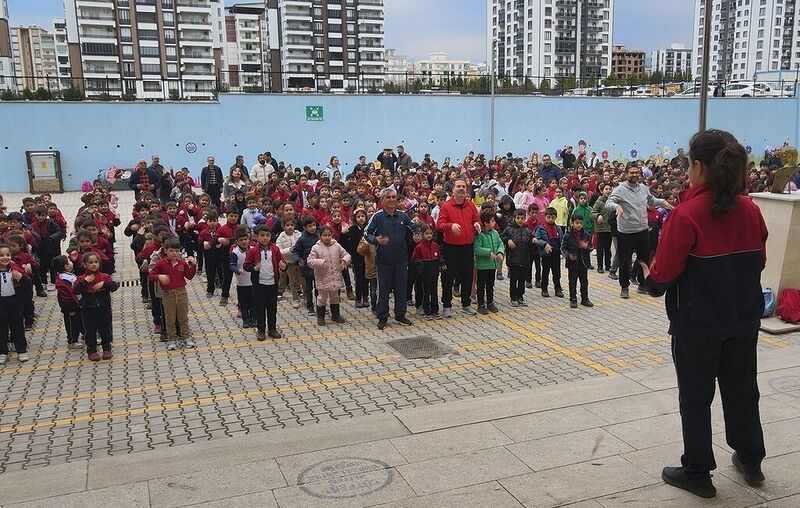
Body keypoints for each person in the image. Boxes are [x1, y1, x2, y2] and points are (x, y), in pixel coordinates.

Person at [640, 129, 768, 499]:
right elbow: (759, 260)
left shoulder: (687, 214)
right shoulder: (751, 209)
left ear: (697, 166)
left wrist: (647, 277)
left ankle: (698, 471)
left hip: (696, 326)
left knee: (696, 398)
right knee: (743, 391)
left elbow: (662, 276)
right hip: (743, 320)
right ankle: (751, 459)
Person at [604, 164, 672, 299]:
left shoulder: (643, 188)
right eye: (631, 172)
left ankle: (643, 284)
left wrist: (663, 202)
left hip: (642, 230)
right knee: (625, 261)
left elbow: (651, 200)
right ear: (626, 173)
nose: (634, 175)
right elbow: (608, 203)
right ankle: (624, 287)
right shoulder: (620, 189)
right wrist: (617, 206)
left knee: (644, 260)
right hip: (626, 232)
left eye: (636, 172)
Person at [364, 187, 419, 329]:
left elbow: (414, 228)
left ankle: (400, 315)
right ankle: (382, 316)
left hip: (401, 259)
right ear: (382, 200)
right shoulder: (377, 217)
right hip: (384, 260)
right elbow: (367, 233)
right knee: (384, 290)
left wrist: (417, 236)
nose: (392, 200)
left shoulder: (403, 216)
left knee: (401, 288)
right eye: (388, 197)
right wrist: (376, 240)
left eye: (394, 197)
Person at [436, 178, 480, 317]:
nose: (461, 189)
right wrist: (451, 226)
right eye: (458, 186)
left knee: (467, 276)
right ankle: (447, 305)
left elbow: (476, 219)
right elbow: (440, 225)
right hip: (451, 248)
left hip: (468, 247)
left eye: (463, 187)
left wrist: (477, 225)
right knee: (448, 278)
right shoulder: (447, 206)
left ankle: (466, 304)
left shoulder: (471, 206)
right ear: (453, 190)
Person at [149, 237, 197, 351]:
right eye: (171, 251)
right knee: (170, 318)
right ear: (165, 250)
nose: (174, 253)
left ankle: (185, 337)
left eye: (177, 251)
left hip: (181, 293)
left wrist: (193, 266)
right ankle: (172, 339)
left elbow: (189, 276)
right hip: (168, 294)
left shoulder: (182, 263)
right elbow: (151, 276)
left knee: (183, 317)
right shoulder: (161, 263)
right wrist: (159, 277)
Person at [243, 225, 286, 341]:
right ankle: (261, 330)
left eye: (267, 235)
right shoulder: (253, 251)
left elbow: (282, 262)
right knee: (259, 308)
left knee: (272, 308)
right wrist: (254, 268)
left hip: (272, 283)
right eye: (262, 235)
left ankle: (272, 329)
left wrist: (282, 267)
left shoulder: (275, 249)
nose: (265, 238)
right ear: (256, 237)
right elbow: (246, 265)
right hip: (259, 285)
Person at [74, 252, 119, 361]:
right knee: (90, 330)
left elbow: (114, 286)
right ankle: (92, 350)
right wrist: (85, 282)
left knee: (105, 328)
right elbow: (75, 290)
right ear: (85, 265)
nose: (94, 264)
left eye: (96, 262)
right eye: (90, 262)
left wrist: (103, 284)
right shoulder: (81, 278)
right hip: (88, 309)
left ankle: (107, 348)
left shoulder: (105, 276)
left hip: (104, 307)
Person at [307, 225, 351, 325]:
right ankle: (320, 317)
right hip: (322, 277)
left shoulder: (337, 245)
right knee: (322, 298)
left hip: (335, 277)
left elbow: (347, 254)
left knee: (335, 296)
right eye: (324, 235)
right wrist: (321, 262)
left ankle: (335, 315)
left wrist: (344, 261)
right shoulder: (316, 248)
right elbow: (310, 261)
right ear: (320, 236)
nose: (327, 237)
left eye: (329, 235)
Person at [0, 244, 29, 364]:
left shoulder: (15, 269)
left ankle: (21, 350)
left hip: (14, 301)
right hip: (1, 302)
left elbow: (28, 284)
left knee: (17, 326)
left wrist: (21, 277)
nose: (5, 258)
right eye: (1, 255)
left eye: (7, 255)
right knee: (1, 328)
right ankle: (2, 351)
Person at [411, 224, 444, 319]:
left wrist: (442, 263)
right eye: (426, 234)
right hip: (424, 274)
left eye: (430, 233)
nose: (429, 236)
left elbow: (439, 256)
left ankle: (435, 310)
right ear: (422, 234)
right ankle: (427, 310)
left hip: (434, 273)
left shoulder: (435, 245)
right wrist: (420, 268)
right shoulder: (419, 247)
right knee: (426, 292)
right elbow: (414, 259)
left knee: (434, 292)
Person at [473, 211, 504, 314]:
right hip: (482, 266)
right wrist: (488, 253)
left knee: (491, 285)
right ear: (485, 223)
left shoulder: (495, 233)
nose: (494, 223)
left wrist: (500, 252)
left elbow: (500, 243)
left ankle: (490, 303)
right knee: (481, 286)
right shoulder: (480, 234)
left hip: (492, 265)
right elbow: (477, 248)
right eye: (492, 221)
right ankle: (481, 304)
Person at [502, 209, 534, 306]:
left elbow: (530, 244)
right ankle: (513, 297)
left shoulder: (527, 230)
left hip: (524, 259)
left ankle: (520, 296)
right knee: (513, 279)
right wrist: (507, 241)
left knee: (522, 279)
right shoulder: (509, 229)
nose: (520, 220)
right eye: (518, 218)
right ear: (514, 218)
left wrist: (534, 241)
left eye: (522, 218)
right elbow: (502, 236)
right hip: (513, 259)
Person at [562, 214, 593, 308]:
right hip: (572, 263)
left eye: (580, 223)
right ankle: (573, 299)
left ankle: (585, 298)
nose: (579, 225)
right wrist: (568, 255)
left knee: (584, 281)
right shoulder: (567, 235)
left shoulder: (586, 234)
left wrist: (586, 247)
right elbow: (563, 248)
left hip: (583, 262)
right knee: (572, 281)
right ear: (572, 223)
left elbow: (591, 246)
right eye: (577, 223)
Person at [53, 254, 84, 350]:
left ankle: (85, 334)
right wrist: (70, 308)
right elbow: (65, 297)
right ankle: (72, 341)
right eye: (69, 261)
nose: (72, 262)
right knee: (72, 324)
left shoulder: (68, 275)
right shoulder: (63, 280)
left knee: (80, 321)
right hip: (71, 307)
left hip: (77, 304)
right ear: (66, 266)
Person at [535, 207, 564, 298]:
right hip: (546, 254)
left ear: (556, 217)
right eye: (548, 217)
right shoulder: (541, 228)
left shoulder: (558, 228)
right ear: (545, 217)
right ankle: (544, 288)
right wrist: (545, 244)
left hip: (556, 254)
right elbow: (537, 240)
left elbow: (562, 240)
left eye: (553, 217)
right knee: (545, 272)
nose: (550, 219)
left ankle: (558, 288)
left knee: (557, 273)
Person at [230, 226, 255, 327]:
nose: (244, 242)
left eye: (246, 239)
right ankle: (246, 319)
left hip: (253, 281)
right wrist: (237, 270)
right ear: (237, 241)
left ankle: (254, 318)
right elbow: (231, 265)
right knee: (243, 302)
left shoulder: (253, 250)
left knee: (253, 302)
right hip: (241, 282)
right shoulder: (235, 253)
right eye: (241, 240)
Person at [276, 217, 303, 309]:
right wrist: (289, 250)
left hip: (299, 261)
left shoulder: (299, 234)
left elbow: (302, 245)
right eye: (287, 225)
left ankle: (306, 297)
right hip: (289, 262)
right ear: (283, 226)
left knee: (301, 279)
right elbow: (278, 250)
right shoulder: (281, 236)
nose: (290, 227)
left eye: (291, 225)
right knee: (292, 281)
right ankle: (295, 299)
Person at [590, 183, 614, 274]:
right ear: (602, 191)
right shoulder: (599, 202)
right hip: (600, 228)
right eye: (606, 189)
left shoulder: (612, 201)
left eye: (609, 189)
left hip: (610, 228)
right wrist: (598, 215)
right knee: (600, 248)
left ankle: (608, 265)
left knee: (608, 248)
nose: (608, 191)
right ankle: (600, 266)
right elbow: (592, 213)